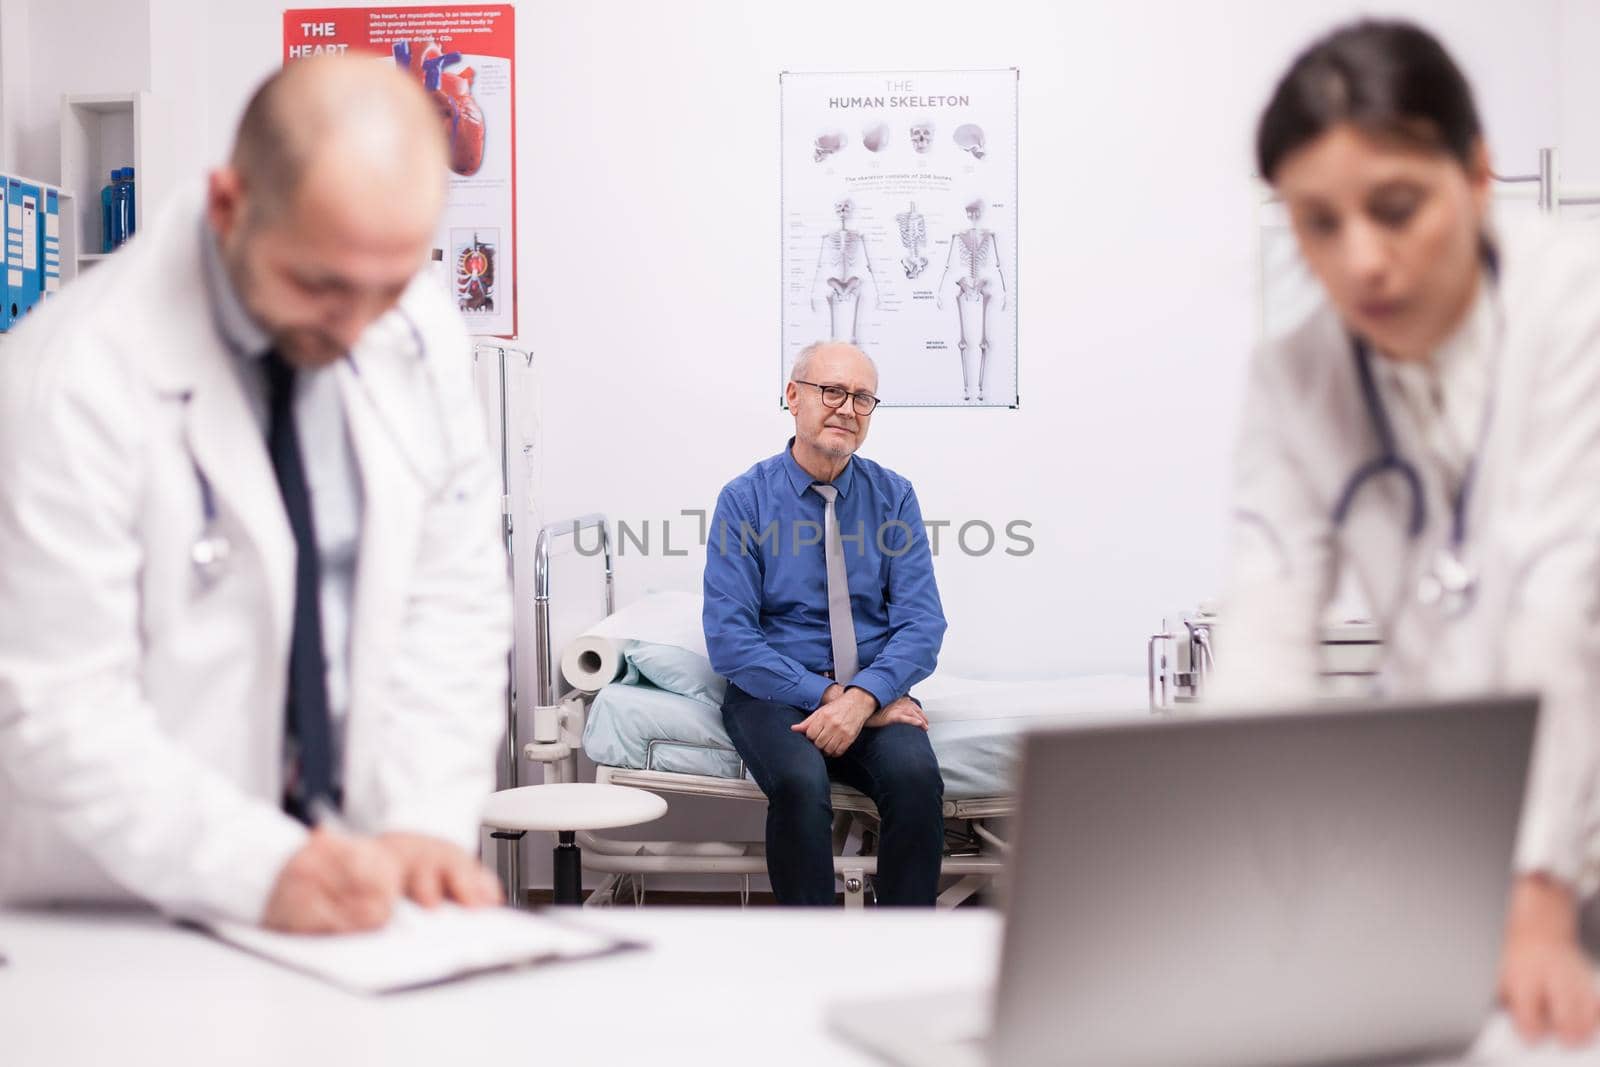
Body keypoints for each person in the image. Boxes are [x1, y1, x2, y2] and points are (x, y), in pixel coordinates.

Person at [0, 56, 512, 932]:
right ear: (231, 206)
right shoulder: (67, 379)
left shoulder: (415, 327)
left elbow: (453, 597)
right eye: (322, 286)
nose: (358, 326)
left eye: (386, 288)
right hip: (115, 903)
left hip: (347, 892)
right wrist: (254, 865)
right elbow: (59, 703)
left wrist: (424, 818)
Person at [1215, 19, 1600, 1045]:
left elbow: (1554, 595)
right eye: (1317, 223)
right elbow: (1265, 617)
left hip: (1563, 833)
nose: (1362, 261)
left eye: (1396, 209)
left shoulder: (1575, 307)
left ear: (1476, 174)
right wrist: (1235, 878)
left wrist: (1535, 884)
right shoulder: (1295, 373)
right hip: (1471, 840)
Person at [703, 341, 947, 905]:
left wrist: (864, 698)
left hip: (872, 692)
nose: (847, 408)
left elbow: (922, 623)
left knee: (915, 781)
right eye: (831, 391)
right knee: (798, 781)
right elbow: (731, 639)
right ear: (793, 397)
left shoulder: (894, 497)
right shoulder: (744, 501)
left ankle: (910, 952)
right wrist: (837, 696)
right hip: (773, 694)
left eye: (863, 398)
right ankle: (810, 955)